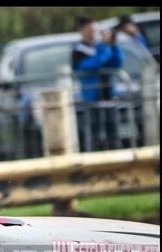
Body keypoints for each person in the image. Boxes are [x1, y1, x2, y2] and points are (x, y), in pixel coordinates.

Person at [71, 16, 124, 152]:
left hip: (109, 95)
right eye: (90, 30)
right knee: (96, 134)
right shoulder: (79, 50)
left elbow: (116, 64)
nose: (94, 33)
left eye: (95, 30)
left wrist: (113, 45)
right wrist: (105, 50)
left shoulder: (102, 47)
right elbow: (89, 66)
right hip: (92, 97)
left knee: (113, 133)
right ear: (81, 31)